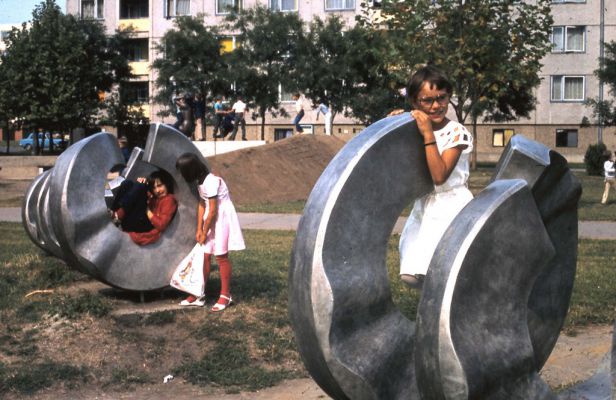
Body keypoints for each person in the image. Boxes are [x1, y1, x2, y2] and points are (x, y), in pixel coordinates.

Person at [397, 65, 473, 289]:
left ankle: (445, 313)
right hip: (426, 203)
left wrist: (428, 133)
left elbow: (439, 176)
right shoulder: (415, 127)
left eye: (441, 98)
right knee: (411, 273)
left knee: (440, 273)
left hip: (450, 205)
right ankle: (435, 306)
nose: (436, 106)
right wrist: (397, 124)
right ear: (414, 102)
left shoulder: (456, 133)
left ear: (449, 97)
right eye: (426, 100)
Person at [175, 153, 245, 311]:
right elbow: (202, 204)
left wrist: (205, 231)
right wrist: (199, 228)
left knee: (221, 256)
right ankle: (198, 292)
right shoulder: (201, 181)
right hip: (211, 218)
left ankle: (225, 295)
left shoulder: (211, 181)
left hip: (221, 219)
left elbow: (213, 210)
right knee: (204, 256)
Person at [110, 170, 178, 246]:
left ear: (167, 184)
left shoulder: (169, 200)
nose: (157, 191)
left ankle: (117, 215)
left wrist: (147, 210)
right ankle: (114, 212)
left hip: (144, 228)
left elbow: (161, 225)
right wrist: (144, 182)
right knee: (128, 183)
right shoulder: (155, 198)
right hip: (135, 222)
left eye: (160, 186)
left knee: (140, 186)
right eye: (154, 188)